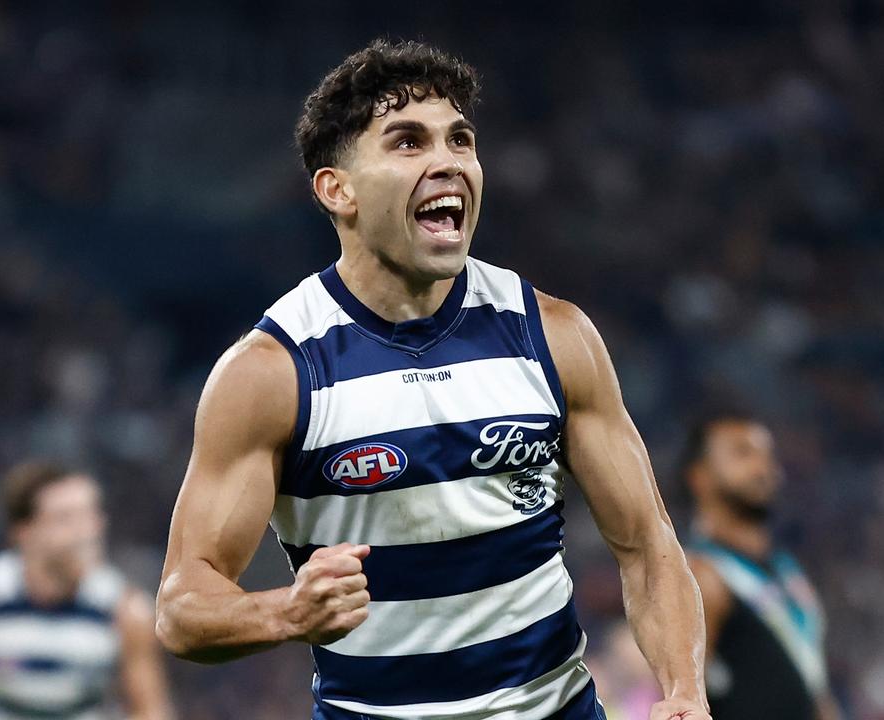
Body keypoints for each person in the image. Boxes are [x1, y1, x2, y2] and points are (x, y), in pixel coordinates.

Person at [155, 39, 709, 720]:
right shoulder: (273, 373)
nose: (448, 162)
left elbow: (648, 545)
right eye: (408, 143)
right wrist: (285, 614)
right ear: (338, 189)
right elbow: (182, 607)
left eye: (460, 140)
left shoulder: (553, 336)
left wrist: (683, 691)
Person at [0, 461, 174, 720]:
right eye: (65, 518)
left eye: (91, 514)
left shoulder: (124, 610)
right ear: (24, 531)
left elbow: (149, 709)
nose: (86, 531)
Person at [680, 414, 841, 720]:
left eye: (768, 456)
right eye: (742, 453)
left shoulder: (788, 572)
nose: (762, 467)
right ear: (699, 476)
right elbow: (684, 698)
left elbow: (813, 686)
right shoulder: (700, 573)